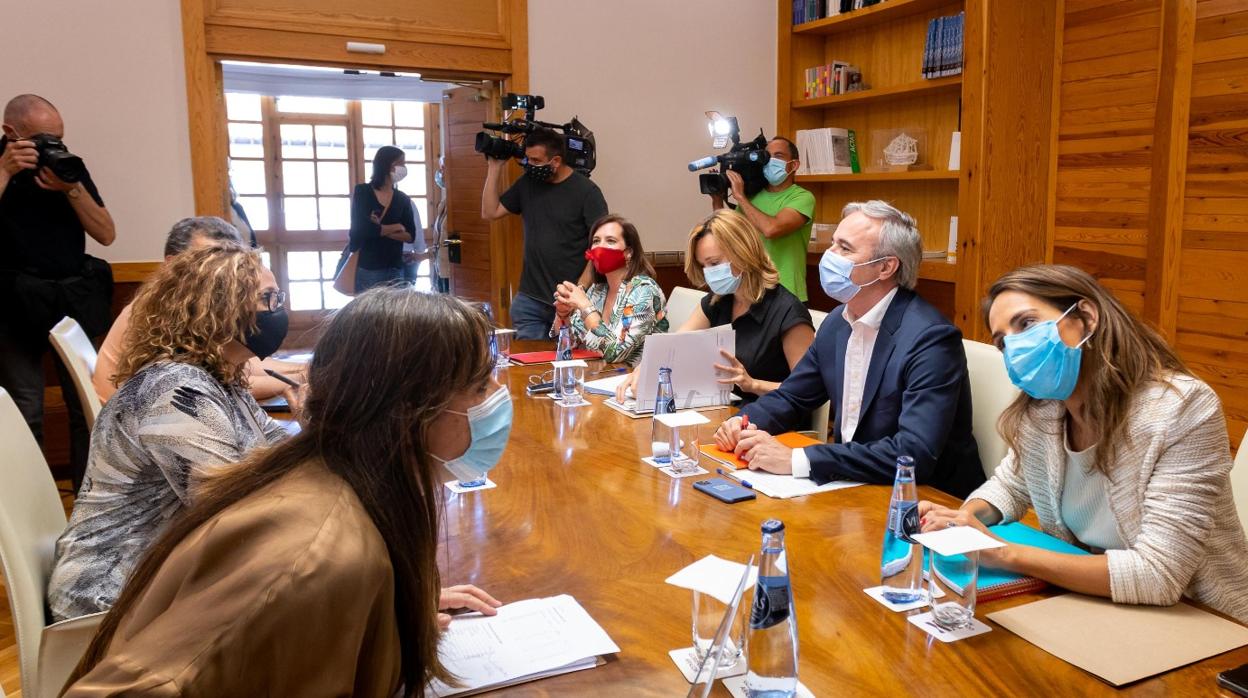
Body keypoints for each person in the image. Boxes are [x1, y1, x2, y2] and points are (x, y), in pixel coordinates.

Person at [64, 289, 506, 696]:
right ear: (410, 410)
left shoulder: (339, 480)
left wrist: (393, 606)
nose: (498, 398)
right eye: (480, 387)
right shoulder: (312, 558)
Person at [919, 265, 1248, 623]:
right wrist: (966, 518)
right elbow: (1011, 485)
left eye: (1026, 324)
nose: (1014, 346)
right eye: (1002, 341)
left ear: (1086, 318)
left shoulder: (1182, 408)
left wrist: (1003, 553)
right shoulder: (1043, 410)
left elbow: (1159, 575)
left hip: (1201, 620)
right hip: (1091, 602)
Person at [49, 246, 293, 621]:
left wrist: (314, 420)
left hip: (165, 571)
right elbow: (230, 507)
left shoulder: (222, 379)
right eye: (267, 298)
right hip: (111, 590)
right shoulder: (175, 390)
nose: (277, 309)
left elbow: (282, 455)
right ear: (220, 307)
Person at [713, 200, 983, 498]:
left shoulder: (930, 338)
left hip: (931, 500)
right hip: (853, 484)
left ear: (885, 267)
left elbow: (913, 453)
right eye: (832, 245)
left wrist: (796, 460)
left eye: (844, 248)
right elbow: (793, 396)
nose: (830, 256)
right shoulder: (836, 324)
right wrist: (742, 422)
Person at [0, 94, 116, 488]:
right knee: (25, 408)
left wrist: (71, 188)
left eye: (59, 138)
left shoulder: (67, 166)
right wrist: (3, 173)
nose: (54, 146)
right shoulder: (2, 165)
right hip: (13, 302)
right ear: (10, 133)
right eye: (43, 139)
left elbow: (105, 233)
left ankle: (89, 497)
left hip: (70, 300)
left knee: (86, 403)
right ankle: (32, 500)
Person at [92, 216, 306, 404]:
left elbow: (237, 365)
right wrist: (296, 380)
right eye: (206, 264)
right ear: (172, 266)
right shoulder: (160, 314)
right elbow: (208, 388)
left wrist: (302, 369)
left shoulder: (197, 312)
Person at [615, 210, 814, 404]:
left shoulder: (788, 312)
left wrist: (753, 384)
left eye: (714, 263)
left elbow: (807, 388)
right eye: (704, 266)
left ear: (743, 253)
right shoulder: (719, 301)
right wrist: (644, 368)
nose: (709, 274)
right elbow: (673, 345)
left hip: (770, 419)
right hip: (722, 411)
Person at [482, 128, 608, 339]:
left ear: (556, 161)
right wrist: (494, 168)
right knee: (527, 367)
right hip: (530, 300)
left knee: (567, 364)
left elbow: (599, 248)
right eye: (527, 159)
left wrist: (579, 290)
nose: (529, 165)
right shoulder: (528, 184)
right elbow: (490, 211)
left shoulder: (587, 192)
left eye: (536, 160)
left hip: (570, 300)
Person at [552, 214, 668, 366]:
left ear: (629, 252)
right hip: (601, 376)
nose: (601, 247)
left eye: (610, 241)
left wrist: (585, 307)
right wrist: (563, 314)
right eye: (596, 241)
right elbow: (570, 343)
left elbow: (615, 352)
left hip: (634, 381)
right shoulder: (597, 290)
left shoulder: (642, 290)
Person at [711, 136, 815, 302]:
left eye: (778, 156)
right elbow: (730, 236)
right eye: (767, 155)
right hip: (752, 291)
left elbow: (771, 229)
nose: (770, 160)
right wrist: (717, 200)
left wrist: (740, 197)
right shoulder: (752, 197)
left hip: (787, 292)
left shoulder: (802, 197)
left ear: (794, 165)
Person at [350, 145, 420, 292]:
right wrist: (396, 227)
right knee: (370, 314)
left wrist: (378, 229)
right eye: (401, 163)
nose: (404, 167)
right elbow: (361, 230)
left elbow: (410, 236)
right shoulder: (363, 192)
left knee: (396, 314)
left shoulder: (402, 199)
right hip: (368, 267)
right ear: (388, 164)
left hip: (395, 268)